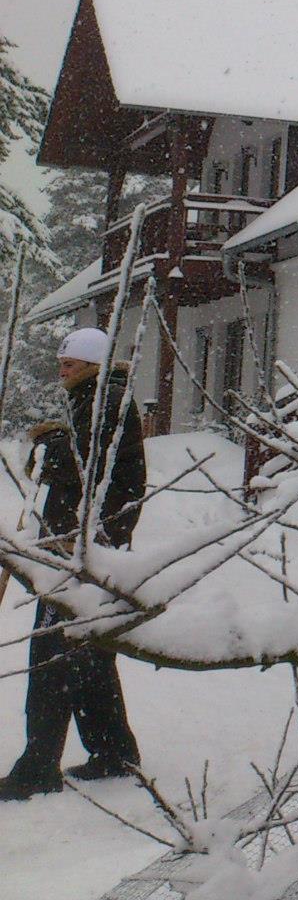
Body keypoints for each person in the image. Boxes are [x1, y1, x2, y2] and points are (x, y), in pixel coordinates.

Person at [0, 327, 146, 800]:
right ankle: (114, 752)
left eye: (70, 363)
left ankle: (39, 766)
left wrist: (49, 445)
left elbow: (85, 465)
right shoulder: (99, 399)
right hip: (85, 546)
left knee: (53, 656)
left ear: (92, 366)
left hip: (84, 550)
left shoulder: (107, 400)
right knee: (87, 653)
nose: (61, 368)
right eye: (61, 362)